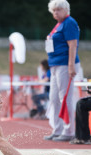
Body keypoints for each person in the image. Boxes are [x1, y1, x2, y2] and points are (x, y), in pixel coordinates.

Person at [44, 0, 80, 142]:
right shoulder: (58, 25)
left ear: (66, 10)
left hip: (65, 64)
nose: (55, 13)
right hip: (54, 65)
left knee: (65, 97)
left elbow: (73, 45)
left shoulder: (69, 22)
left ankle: (69, 130)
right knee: (54, 98)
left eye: (58, 9)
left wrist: (71, 65)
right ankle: (57, 129)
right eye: (54, 10)